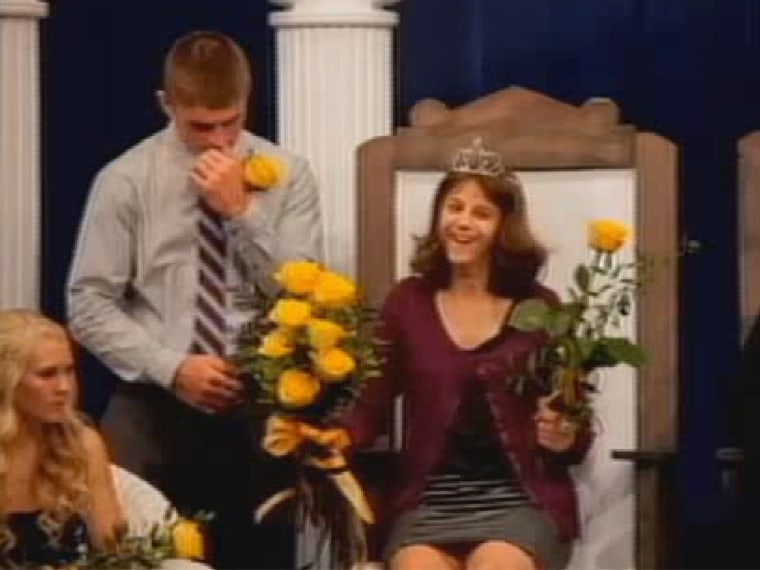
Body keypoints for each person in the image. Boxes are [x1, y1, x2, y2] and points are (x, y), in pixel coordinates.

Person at [67, 30, 323, 569]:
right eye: (200, 126)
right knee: (132, 543)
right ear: (167, 105)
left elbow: (302, 293)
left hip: (257, 392)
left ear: (247, 101)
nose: (217, 141)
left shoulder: (291, 175)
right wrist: (173, 367)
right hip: (156, 392)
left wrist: (242, 214)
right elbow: (88, 305)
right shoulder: (125, 180)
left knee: (262, 548)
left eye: (230, 122)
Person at [340, 140, 593, 570]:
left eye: (480, 213)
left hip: (520, 500)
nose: (462, 222)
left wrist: (565, 435)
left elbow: (575, 422)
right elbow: (371, 404)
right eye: (453, 207)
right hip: (426, 501)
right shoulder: (407, 302)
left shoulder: (542, 308)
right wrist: (334, 438)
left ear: (503, 227)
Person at [0, 309, 125, 568]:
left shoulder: (83, 444)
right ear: (7, 380)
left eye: (69, 371)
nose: (64, 387)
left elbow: (115, 552)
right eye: (47, 374)